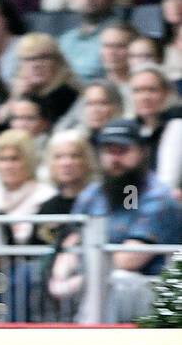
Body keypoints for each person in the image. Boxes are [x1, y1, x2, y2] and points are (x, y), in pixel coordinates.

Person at [51, 119, 182, 321]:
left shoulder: (159, 197)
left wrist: (80, 281)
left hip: (155, 289)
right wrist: (59, 277)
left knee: (118, 281)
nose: (115, 158)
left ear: (142, 152)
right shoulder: (92, 194)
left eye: (123, 150)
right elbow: (71, 242)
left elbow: (129, 260)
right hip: (92, 282)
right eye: (109, 151)